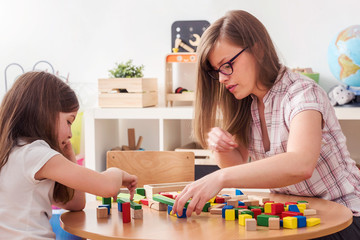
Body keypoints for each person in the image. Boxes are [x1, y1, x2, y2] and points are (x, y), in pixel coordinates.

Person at [173, 10, 360, 239]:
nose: (222, 78)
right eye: (216, 72)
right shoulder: (247, 102)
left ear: (258, 49)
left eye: (226, 65)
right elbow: (236, 166)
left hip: (346, 218)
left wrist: (218, 178)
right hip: (297, 218)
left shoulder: (302, 93)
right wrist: (221, 148)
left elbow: (301, 164)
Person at [0, 71, 137, 239]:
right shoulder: (35, 154)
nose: (71, 133)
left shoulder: (12, 152)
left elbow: (75, 203)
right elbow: (107, 187)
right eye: (69, 121)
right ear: (45, 113)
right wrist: (118, 172)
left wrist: (68, 154)